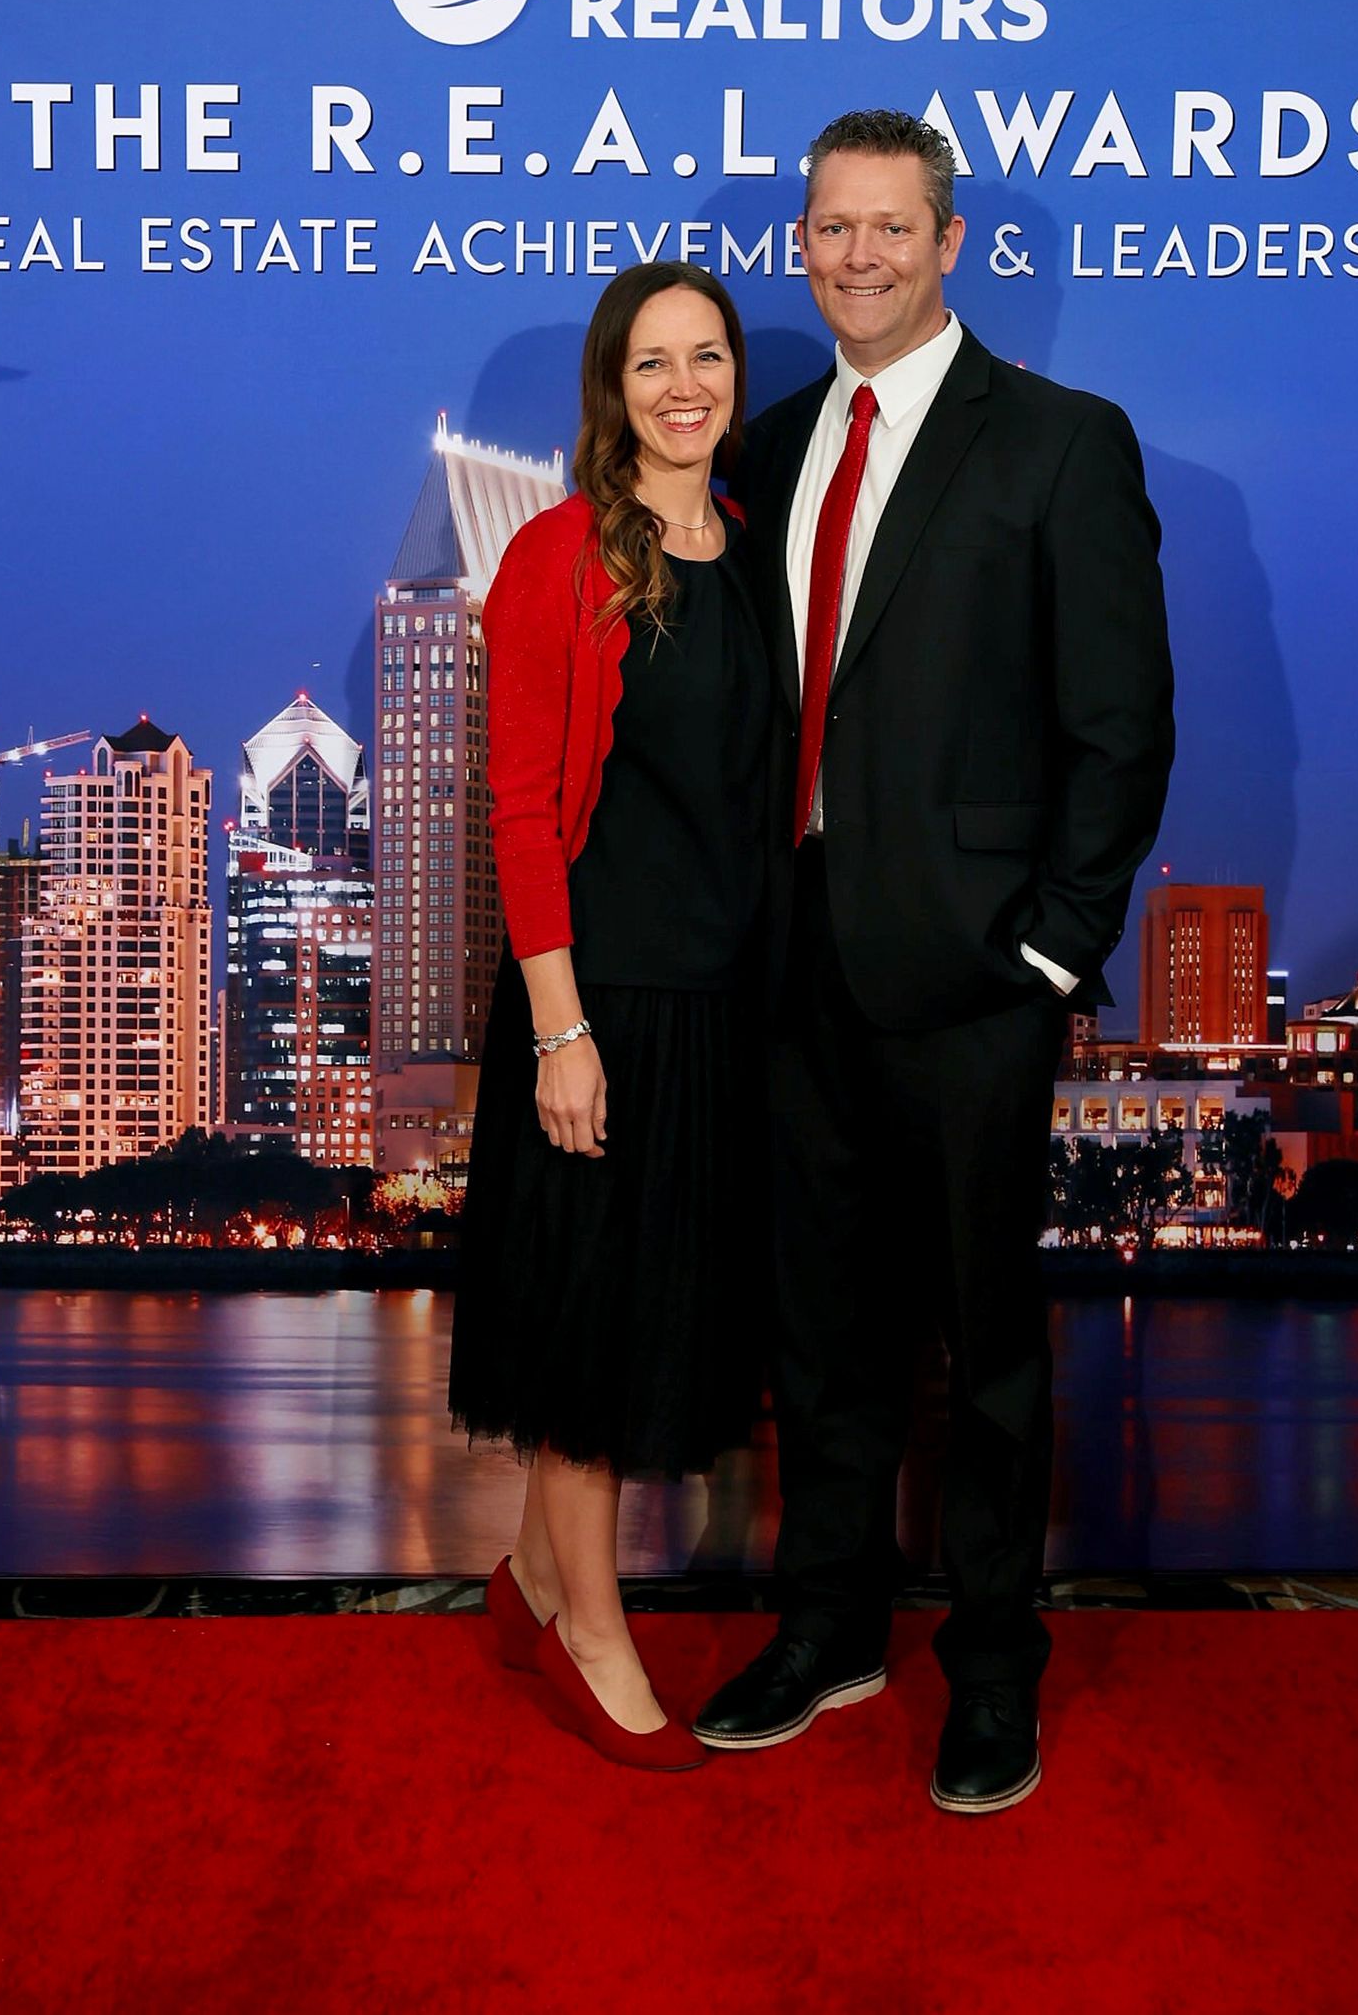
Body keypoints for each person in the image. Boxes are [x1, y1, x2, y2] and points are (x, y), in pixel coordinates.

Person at [692, 107, 1175, 1813]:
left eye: (892, 226)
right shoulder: (764, 450)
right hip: (792, 965)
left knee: (986, 1347)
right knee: (821, 1332)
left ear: (951, 241)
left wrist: (1052, 951)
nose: (861, 256)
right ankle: (828, 1627)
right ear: (802, 246)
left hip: (976, 979)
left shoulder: (1060, 442)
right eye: (833, 227)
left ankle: (992, 1667)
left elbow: (1121, 727)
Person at [448, 260, 767, 1772]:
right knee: (592, 1345)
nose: (683, 386)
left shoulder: (755, 552)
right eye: (652, 362)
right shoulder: (558, 555)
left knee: (641, 1322)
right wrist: (560, 1032)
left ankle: (525, 1580)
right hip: (597, 1008)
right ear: (611, 388)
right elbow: (519, 810)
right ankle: (591, 1629)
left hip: (716, 1008)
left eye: (707, 356)